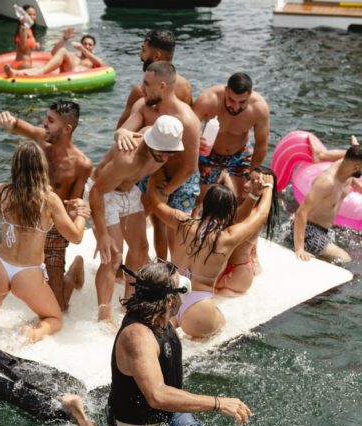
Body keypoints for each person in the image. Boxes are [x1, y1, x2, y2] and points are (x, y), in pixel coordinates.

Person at [62, 260, 252, 426]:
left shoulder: (162, 318)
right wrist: (217, 403)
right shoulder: (137, 337)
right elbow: (157, 395)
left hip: (170, 418)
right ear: (170, 301)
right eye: (180, 290)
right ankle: (85, 421)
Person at [0, 142, 87, 345]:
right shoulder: (49, 200)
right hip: (27, 273)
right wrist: (81, 213)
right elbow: (76, 236)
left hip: (0, 267)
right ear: (42, 167)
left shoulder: (3, 192)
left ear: (15, 167)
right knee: (54, 319)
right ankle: (30, 335)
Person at [0, 102, 92, 313]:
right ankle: (19, 278)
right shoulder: (42, 138)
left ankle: (74, 272)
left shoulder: (81, 164)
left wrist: (76, 214)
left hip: (54, 228)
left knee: (60, 306)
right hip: (25, 222)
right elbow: (20, 126)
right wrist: (10, 121)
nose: (44, 123)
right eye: (46, 118)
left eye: (51, 121)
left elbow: (74, 202)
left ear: (67, 129)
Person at [145, 172, 275, 338]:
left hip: (168, 300)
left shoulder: (182, 222)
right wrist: (267, 189)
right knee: (221, 325)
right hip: (199, 309)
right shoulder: (227, 237)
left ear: (205, 205)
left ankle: (173, 324)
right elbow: (260, 215)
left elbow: (155, 204)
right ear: (230, 212)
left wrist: (153, 180)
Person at [88, 115, 185, 325]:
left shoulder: (159, 140)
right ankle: (103, 316)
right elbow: (95, 191)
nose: (163, 155)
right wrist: (102, 234)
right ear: (150, 141)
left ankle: (129, 302)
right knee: (113, 255)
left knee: (141, 248)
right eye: (159, 149)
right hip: (103, 193)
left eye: (168, 152)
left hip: (128, 190)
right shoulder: (127, 159)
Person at [116, 62, 201, 259]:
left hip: (182, 179)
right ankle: (157, 265)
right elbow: (124, 131)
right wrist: (121, 134)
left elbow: (190, 166)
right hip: (152, 173)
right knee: (153, 223)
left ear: (162, 86)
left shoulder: (187, 120)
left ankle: (179, 276)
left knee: (177, 233)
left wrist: (165, 191)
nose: (141, 88)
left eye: (146, 83)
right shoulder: (143, 107)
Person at [287, 144, 362, 264]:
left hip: (325, 230)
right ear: (355, 168)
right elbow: (301, 212)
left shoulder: (346, 169)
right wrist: (299, 249)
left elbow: (352, 178)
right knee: (344, 259)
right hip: (309, 229)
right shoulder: (327, 182)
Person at [193, 72, 271, 201]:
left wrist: (254, 171)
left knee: (239, 199)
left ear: (250, 95)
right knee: (201, 199)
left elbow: (261, 144)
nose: (235, 107)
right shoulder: (208, 100)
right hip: (209, 152)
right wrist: (195, 139)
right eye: (231, 100)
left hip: (239, 153)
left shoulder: (259, 109)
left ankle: (226, 177)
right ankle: (220, 177)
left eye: (242, 102)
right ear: (226, 91)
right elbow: (188, 127)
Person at [216, 166, 280, 296]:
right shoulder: (246, 205)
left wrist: (262, 190)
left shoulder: (257, 215)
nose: (246, 185)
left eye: (254, 183)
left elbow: (238, 220)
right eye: (249, 179)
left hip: (236, 274)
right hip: (238, 268)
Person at [116, 29, 193, 128]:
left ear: (156, 56)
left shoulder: (141, 91)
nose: (140, 55)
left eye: (143, 50)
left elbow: (121, 131)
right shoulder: (186, 86)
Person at [5, 32, 103, 78]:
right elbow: (54, 52)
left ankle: (40, 72)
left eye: (90, 45)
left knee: (64, 51)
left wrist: (83, 49)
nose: (87, 46)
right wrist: (64, 39)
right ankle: (15, 72)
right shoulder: (74, 56)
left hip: (76, 74)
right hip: (65, 73)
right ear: (81, 44)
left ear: (93, 47)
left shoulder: (93, 60)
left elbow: (101, 65)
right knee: (42, 67)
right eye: (84, 44)